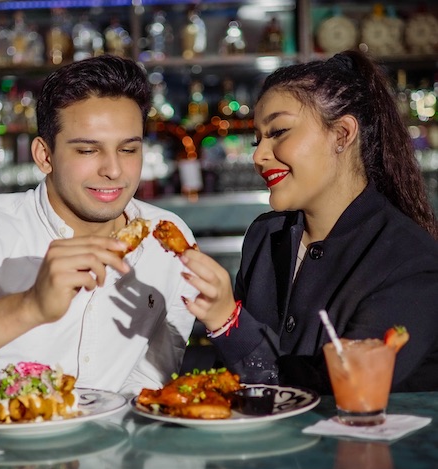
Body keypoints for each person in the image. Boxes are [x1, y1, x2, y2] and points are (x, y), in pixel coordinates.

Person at [179, 50, 438, 393]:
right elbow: (229, 381)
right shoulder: (266, 235)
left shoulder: (409, 260)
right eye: (258, 139)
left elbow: (342, 391)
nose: (258, 155)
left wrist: (229, 322)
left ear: (342, 134)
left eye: (279, 131)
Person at [0, 55, 197, 395]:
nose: (114, 170)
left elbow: (151, 380)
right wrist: (31, 305)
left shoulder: (168, 240)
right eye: (88, 150)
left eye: (128, 149)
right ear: (44, 156)